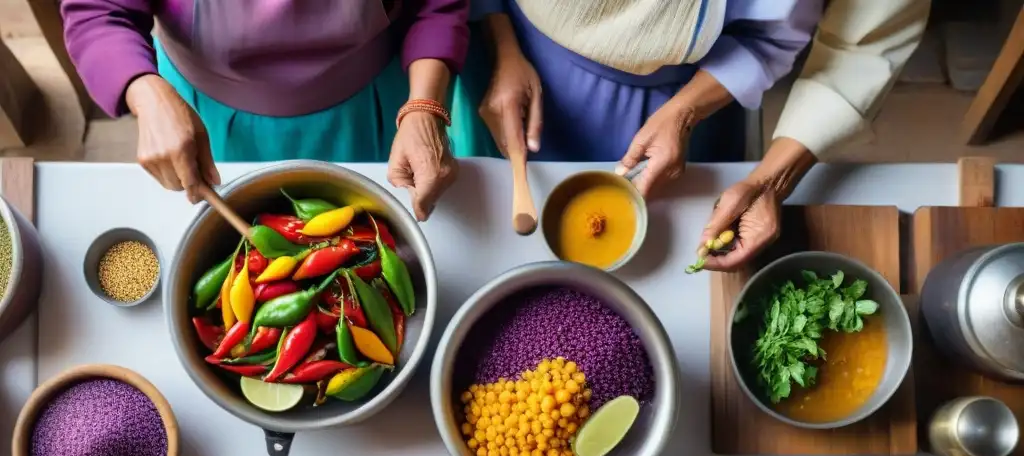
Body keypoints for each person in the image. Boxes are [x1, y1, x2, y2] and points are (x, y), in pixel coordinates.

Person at [61, 0, 470, 221]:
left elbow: (436, 5)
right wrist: (144, 92)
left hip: (375, 107)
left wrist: (424, 106)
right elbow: (98, 11)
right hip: (205, 117)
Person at [455, 0, 822, 198]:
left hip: (690, 92)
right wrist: (504, 50)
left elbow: (767, 40)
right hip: (530, 60)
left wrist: (683, 113)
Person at [699, 0, 931, 270]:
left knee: (711, 171)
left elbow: (866, 44)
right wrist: (682, 113)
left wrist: (769, 182)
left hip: (728, 59)